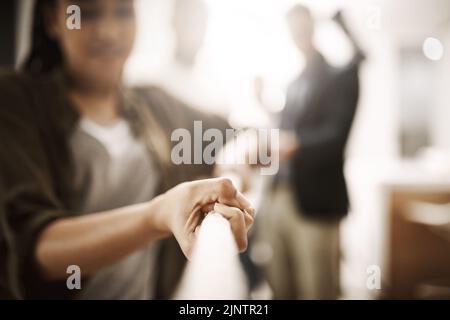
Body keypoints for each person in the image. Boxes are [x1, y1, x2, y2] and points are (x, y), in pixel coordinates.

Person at [0, 0, 254, 300]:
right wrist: (157, 214)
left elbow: (243, 135)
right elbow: (32, 249)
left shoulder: (155, 107)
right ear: (53, 19)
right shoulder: (15, 101)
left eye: (122, 12)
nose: (108, 32)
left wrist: (234, 160)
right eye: (87, 13)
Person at [262, 5, 362, 299]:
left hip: (316, 204)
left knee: (317, 290)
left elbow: (335, 136)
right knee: (280, 288)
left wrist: (296, 144)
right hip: (278, 197)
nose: (299, 33)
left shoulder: (338, 76)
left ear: (312, 26)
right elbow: (286, 129)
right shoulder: (292, 83)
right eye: (293, 28)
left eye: (303, 26)